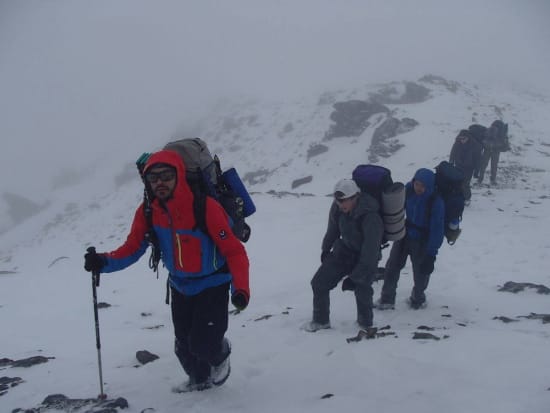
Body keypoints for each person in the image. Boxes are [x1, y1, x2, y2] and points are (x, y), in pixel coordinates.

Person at [84, 150, 250, 392]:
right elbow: (132, 248)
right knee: (183, 346)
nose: (160, 182)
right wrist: (103, 262)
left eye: (166, 176)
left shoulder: (206, 208)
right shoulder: (148, 211)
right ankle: (199, 380)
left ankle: (221, 355)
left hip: (213, 283)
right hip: (180, 285)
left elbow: (234, 252)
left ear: (179, 175)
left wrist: (241, 290)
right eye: (154, 178)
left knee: (204, 344)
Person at [304, 178, 384, 332]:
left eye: (344, 200)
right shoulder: (338, 209)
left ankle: (365, 325)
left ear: (356, 197)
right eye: (337, 200)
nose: (340, 204)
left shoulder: (371, 217)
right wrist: (325, 250)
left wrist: (356, 277)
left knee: (362, 289)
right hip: (344, 252)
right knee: (319, 283)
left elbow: (370, 253)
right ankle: (321, 322)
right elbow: (332, 230)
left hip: (366, 257)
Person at [377, 168, 444, 310]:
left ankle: (418, 299)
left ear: (430, 186)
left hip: (422, 240)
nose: (419, 188)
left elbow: (437, 229)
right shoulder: (408, 191)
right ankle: (387, 299)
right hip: (404, 235)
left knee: (421, 272)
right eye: (417, 184)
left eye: (423, 186)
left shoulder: (436, 202)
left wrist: (431, 254)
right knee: (392, 267)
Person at [449, 129, 481, 204]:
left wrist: (476, 171)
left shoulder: (475, 145)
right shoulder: (457, 142)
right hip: (458, 164)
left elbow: (478, 159)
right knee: (457, 181)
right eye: (460, 138)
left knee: (465, 183)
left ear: (468, 137)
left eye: (463, 138)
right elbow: (453, 151)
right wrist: (451, 161)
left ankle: (467, 198)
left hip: (469, 167)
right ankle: (458, 197)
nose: (462, 140)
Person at [477, 120, 510, 185]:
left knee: (483, 165)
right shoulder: (502, 132)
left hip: (487, 150)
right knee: (494, 166)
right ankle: (492, 180)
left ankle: (480, 179)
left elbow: (484, 140)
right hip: (496, 151)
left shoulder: (489, 130)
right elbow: (504, 144)